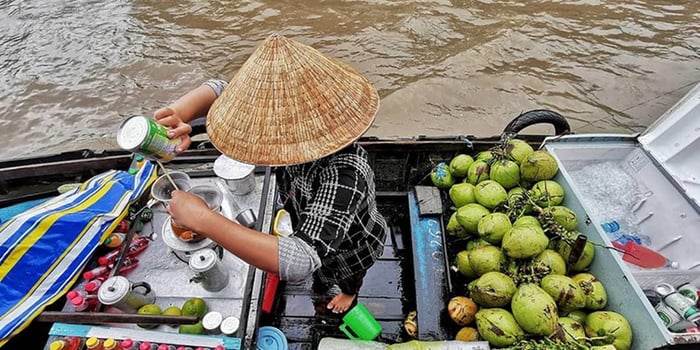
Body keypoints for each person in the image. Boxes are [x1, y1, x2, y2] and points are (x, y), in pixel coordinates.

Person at [155, 33, 387, 314]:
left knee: (346, 274)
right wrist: (181, 113)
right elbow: (218, 90)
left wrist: (203, 219)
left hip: (352, 245)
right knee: (322, 274)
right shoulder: (286, 121)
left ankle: (350, 294)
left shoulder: (346, 173)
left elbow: (301, 257)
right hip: (308, 217)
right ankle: (326, 283)